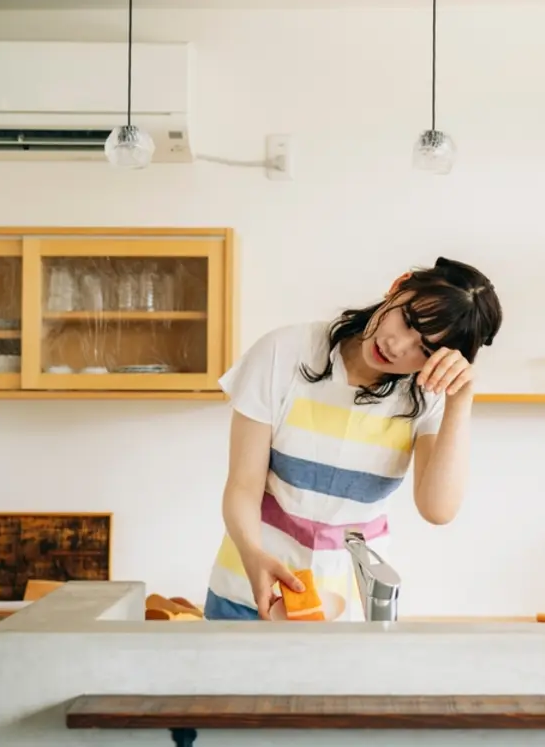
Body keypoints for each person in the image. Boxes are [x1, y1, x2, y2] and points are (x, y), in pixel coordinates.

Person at [203, 257, 503, 621]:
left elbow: (437, 509)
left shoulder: (428, 394)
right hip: (248, 592)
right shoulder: (283, 352)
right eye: (407, 320)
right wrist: (252, 555)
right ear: (399, 284)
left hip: (351, 607)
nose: (397, 345)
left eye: (423, 349)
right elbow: (243, 485)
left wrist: (460, 400)